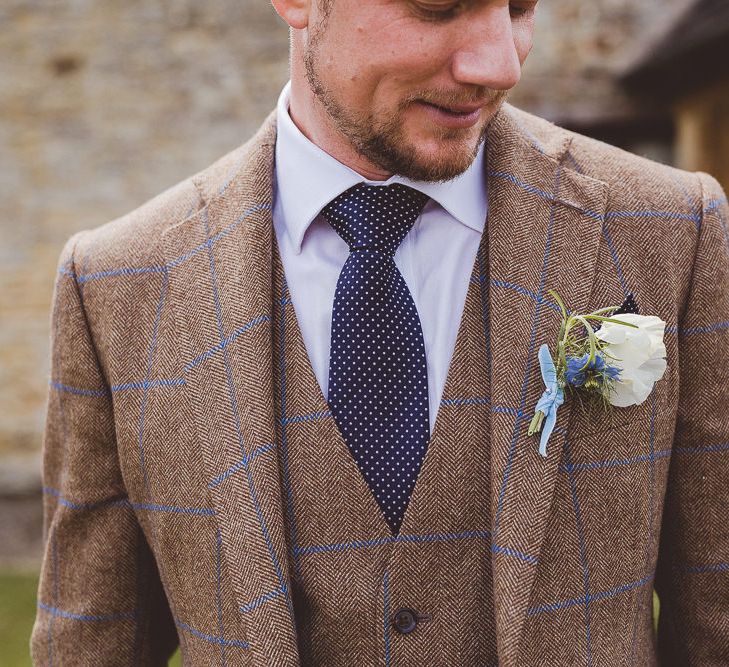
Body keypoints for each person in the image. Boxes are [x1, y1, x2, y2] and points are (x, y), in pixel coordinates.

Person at [31, 0, 729, 665]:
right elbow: (91, 643)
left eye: (518, 7)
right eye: (437, 7)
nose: (499, 65)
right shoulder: (115, 284)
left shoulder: (671, 231)